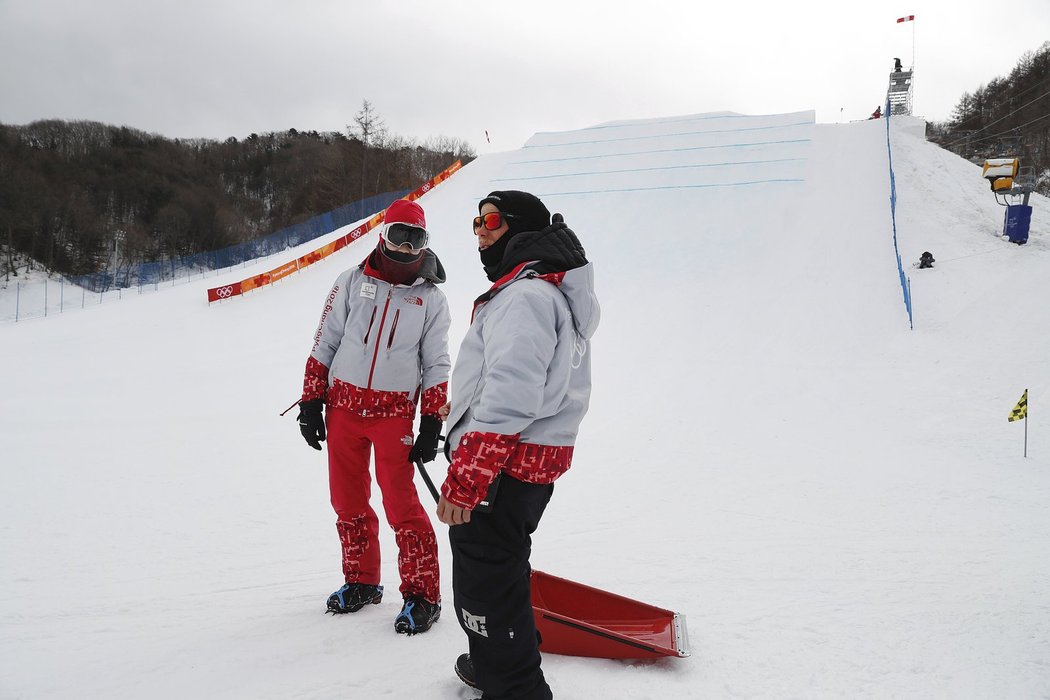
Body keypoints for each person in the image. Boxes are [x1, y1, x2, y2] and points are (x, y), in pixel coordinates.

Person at [437, 190, 600, 699]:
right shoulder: (540, 292)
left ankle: (514, 686)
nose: (480, 231)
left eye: (491, 220)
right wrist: (458, 411)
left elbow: (511, 394)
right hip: (521, 461)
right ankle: (497, 663)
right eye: (476, 221)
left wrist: (467, 478)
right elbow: (513, 382)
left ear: (522, 229)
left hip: (502, 466)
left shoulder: (526, 297)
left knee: (485, 581)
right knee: (499, 570)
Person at [296, 198, 450, 635]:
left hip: (393, 413)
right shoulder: (350, 281)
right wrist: (311, 401)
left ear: (425, 242)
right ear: (382, 235)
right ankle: (361, 581)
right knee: (346, 499)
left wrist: (432, 420)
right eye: (397, 235)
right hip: (344, 405)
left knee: (401, 503)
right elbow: (325, 341)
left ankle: (422, 593)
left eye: (414, 238)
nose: (404, 247)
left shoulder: (431, 300)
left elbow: (436, 362)